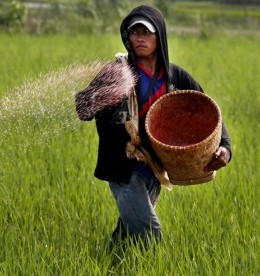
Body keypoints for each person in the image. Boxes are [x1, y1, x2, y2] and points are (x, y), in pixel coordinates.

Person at [80, 5, 232, 248]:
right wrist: (99, 97)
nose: (139, 38)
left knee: (128, 236)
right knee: (150, 232)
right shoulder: (117, 73)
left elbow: (209, 111)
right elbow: (83, 109)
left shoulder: (175, 77)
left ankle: (107, 263)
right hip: (124, 169)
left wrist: (225, 147)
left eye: (146, 32)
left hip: (155, 168)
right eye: (134, 32)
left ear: (159, 35)